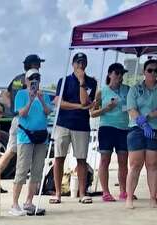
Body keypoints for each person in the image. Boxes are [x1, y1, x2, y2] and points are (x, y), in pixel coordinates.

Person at [52, 52, 97, 204]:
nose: (81, 65)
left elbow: (85, 102)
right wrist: (77, 106)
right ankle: (57, 193)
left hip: (81, 125)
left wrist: (81, 81)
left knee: (81, 159)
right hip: (63, 123)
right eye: (78, 62)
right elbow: (58, 102)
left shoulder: (90, 82)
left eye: (83, 62)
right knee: (59, 158)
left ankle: (82, 193)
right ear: (73, 64)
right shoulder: (63, 80)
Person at [0, 54, 44, 189]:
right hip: (24, 121)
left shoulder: (17, 79)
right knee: (13, 151)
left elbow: (5, 94)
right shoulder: (29, 81)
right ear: (33, 65)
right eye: (38, 64)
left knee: (11, 151)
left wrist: (12, 107)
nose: (40, 67)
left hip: (17, 118)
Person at [8, 69, 52, 216]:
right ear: (26, 81)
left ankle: (29, 201)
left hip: (41, 136)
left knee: (37, 171)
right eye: (31, 78)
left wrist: (40, 99)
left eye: (37, 78)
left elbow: (48, 111)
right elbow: (22, 113)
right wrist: (31, 99)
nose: (35, 81)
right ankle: (14, 203)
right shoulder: (21, 95)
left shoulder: (44, 94)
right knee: (22, 169)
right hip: (25, 136)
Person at [90, 63, 130, 203]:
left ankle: (124, 191)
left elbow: (132, 107)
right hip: (107, 128)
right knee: (105, 160)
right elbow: (92, 113)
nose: (120, 76)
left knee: (123, 161)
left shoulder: (127, 89)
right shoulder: (102, 91)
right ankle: (106, 192)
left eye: (122, 73)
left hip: (124, 128)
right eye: (117, 73)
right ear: (110, 74)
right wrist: (106, 108)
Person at [124, 57, 157, 210]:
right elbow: (131, 109)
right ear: (144, 72)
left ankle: (152, 197)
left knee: (152, 164)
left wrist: (149, 117)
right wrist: (143, 123)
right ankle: (129, 197)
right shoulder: (135, 88)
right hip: (136, 129)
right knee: (135, 164)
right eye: (150, 70)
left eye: (156, 70)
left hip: (154, 129)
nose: (153, 73)